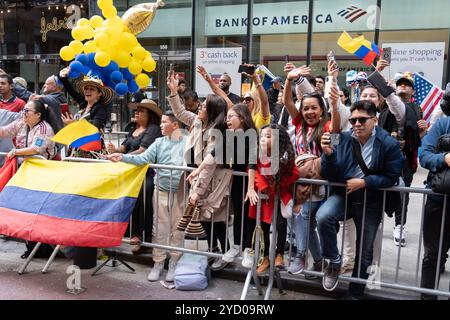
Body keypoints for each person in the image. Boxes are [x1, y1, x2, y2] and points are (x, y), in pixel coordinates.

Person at [317, 100, 403, 299]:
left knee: (364, 252)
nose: (356, 124)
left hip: (370, 201)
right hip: (343, 196)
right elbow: (330, 173)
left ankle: (355, 294)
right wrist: (328, 155)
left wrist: (365, 182)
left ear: (375, 119)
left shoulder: (388, 143)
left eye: (362, 119)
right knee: (323, 217)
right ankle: (334, 261)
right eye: (353, 120)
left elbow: (392, 176)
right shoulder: (342, 138)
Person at [108, 111, 187, 283]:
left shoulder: (187, 142)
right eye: (161, 121)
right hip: (161, 191)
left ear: (175, 125)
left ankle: (174, 263)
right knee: (159, 229)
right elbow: (143, 158)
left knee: (177, 230)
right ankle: (158, 263)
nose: (160, 124)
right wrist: (122, 157)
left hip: (181, 194)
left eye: (164, 122)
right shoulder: (159, 142)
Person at [166, 70, 232, 268]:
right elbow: (179, 113)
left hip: (211, 180)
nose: (199, 107)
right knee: (202, 218)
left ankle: (224, 253)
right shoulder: (197, 121)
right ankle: (213, 251)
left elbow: (210, 166)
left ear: (212, 111)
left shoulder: (217, 132)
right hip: (195, 175)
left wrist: (197, 191)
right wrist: (173, 92)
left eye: (203, 106)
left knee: (215, 220)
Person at [282, 61, 341, 276]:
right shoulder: (298, 124)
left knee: (303, 217)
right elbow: (287, 100)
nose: (309, 112)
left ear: (321, 110)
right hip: (299, 183)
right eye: (305, 108)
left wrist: (334, 107)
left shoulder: (326, 126)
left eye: (314, 108)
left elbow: (335, 133)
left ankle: (300, 255)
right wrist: (289, 80)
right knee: (298, 220)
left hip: (319, 186)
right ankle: (317, 261)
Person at [107, 99, 162, 254]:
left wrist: (121, 157)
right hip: (130, 173)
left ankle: (144, 238)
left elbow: (142, 151)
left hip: (145, 173)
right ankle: (132, 233)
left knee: (143, 202)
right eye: (136, 110)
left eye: (141, 111)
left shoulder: (153, 129)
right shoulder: (134, 129)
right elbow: (124, 147)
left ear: (150, 115)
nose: (136, 113)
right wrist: (114, 150)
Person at [248, 124, 299, 274]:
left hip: (280, 196)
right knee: (263, 227)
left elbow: (294, 174)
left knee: (281, 224)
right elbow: (253, 171)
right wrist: (263, 186)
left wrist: (277, 186)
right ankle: (265, 258)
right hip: (265, 197)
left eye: (268, 136)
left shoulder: (285, 155)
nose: (263, 139)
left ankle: (279, 255)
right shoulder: (257, 153)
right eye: (262, 136)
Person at [419, 112, 450, 300]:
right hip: (438, 203)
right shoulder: (443, 125)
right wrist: (444, 158)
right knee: (432, 256)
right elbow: (424, 155)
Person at [59, 67, 114, 131]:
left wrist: (72, 124)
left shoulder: (100, 109)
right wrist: (63, 77)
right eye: (86, 88)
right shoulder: (84, 103)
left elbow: (93, 130)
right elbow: (70, 90)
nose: (88, 91)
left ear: (99, 94)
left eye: (92, 89)